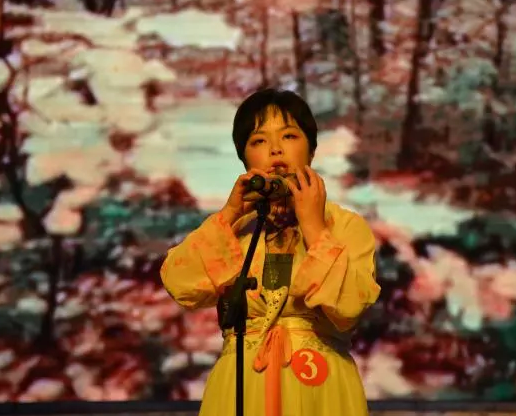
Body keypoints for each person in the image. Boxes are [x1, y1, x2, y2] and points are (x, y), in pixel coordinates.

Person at [160, 88, 381, 416]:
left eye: (289, 136)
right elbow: (180, 284)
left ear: (311, 149)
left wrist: (313, 226)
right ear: (245, 158)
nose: (275, 149)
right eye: (259, 141)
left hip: (317, 384)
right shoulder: (234, 229)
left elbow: (349, 307)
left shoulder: (345, 225)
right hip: (243, 381)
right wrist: (229, 214)